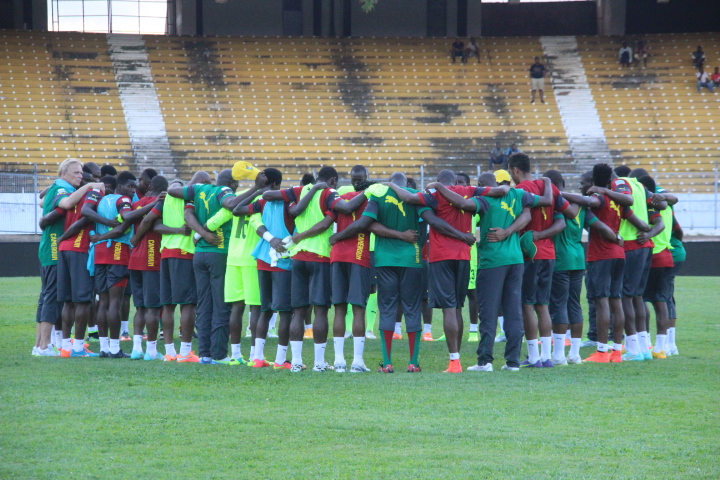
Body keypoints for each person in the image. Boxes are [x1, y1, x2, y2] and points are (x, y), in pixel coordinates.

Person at [386, 171, 509, 373]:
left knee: (449, 309)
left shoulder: (435, 194)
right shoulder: (470, 190)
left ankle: (454, 361)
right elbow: (500, 190)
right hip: (464, 256)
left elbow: (408, 198)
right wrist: (506, 186)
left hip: (442, 256)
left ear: (439, 181)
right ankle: (456, 359)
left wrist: (391, 185)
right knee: (458, 307)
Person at [428, 172, 549, 371]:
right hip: (516, 259)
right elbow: (537, 207)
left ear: (483, 185)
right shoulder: (518, 194)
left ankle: (485, 361)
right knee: (513, 311)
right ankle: (513, 362)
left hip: (492, 261)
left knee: (488, 312)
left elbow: (462, 203)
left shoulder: (484, 200)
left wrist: (440, 187)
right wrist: (547, 182)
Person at [262, 166, 367, 372]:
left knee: (298, 312)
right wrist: (368, 192)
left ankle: (296, 362)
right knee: (320, 310)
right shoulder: (329, 193)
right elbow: (342, 211)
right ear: (333, 180)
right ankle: (319, 363)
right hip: (320, 256)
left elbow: (267, 195)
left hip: (298, 257)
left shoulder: (299, 191)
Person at [167, 169, 241, 364]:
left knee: (204, 305)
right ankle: (219, 354)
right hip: (219, 253)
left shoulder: (199, 190)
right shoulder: (225, 192)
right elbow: (230, 204)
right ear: (233, 183)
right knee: (221, 305)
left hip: (199, 254)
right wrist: (257, 189)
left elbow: (178, 199)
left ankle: (205, 354)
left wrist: (201, 234)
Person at [137, 171, 212, 362]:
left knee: (168, 305)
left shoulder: (167, 198)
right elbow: (190, 219)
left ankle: (170, 351)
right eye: (208, 183)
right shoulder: (191, 197)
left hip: (166, 254)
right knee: (188, 304)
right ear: (202, 182)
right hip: (185, 253)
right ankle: (185, 352)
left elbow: (155, 225)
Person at [562, 165, 632, 363]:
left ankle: (601, 352)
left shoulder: (599, 198)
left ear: (593, 182)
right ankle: (616, 351)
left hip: (601, 255)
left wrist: (559, 193)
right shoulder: (618, 200)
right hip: (619, 254)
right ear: (610, 181)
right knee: (616, 302)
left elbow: (588, 201)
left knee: (601, 303)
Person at [34, 159, 102, 356]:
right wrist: (89, 186)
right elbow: (65, 203)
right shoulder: (62, 189)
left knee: (47, 295)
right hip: (54, 246)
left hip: (50, 246)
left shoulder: (61, 187)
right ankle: (44, 346)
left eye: (81, 173)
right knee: (52, 295)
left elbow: (42, 202)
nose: (80, 176)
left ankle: (40, 345)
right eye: (76, 173)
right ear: (64, 173)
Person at [88, 171, 157, 358]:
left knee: (103, 301)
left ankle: (103, 347)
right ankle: (114, 348)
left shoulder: (102, 200)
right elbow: (127, 218)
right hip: (117, 252)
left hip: (99, 253)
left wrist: (99, 237)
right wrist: (152, 204)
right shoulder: (124, 200)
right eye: (129, 186)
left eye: (134, 187)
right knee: (115, 302)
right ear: (119, 186)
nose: (133, 190)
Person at [203, 162, 266, 365]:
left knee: (236, 308)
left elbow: (215, 221)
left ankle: (236, 354)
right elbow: (257, 222)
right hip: (251, 259)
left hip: (232, 259)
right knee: (255, 308)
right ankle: (256, 355)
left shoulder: (238, 197)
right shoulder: (261, 199)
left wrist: (199, 234)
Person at [233, 168, 296, 369]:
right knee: (284, 312)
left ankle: (258, 357)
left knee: (264, 309)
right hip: (284, 259)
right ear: (278, 184)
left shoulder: (262, 202)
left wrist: (257, 190)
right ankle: (280, 360)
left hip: (263, 257)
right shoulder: (289, 202)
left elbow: (237, 209)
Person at [127, 175, 168, 361]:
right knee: (153, 308)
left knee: (140, 307)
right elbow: (149, 223)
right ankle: (151, 351)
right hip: (152, 257)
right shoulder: (162, 202)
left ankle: (136, 349)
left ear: (150, 186)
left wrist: (135, 239)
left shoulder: (137, 204)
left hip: (135, 258)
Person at [636, 175, 675, 359]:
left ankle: (644, 344)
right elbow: (673, 199)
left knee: (640, 299)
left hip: (652, 255)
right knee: (661, 301)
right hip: (666, 254)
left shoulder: (649, 203)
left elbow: (660, 224)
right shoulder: (663, 200)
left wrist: (648, 235)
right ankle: (661, 347)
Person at [455, 173, 480, 342]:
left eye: (461, 183)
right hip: (451, 254)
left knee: (472, 293)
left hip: (469, 255)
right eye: (456, 182)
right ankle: (452, 329)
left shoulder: (473, 206)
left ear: (468, 185)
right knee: (453, 294)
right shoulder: (448, 203)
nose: (458, 185)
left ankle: (473, 332)